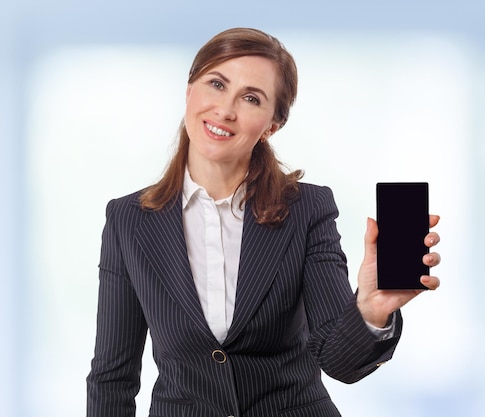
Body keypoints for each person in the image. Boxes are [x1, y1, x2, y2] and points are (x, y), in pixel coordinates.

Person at [86, 27, 441, 417]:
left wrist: (371, 310)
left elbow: (338, 361)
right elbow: (112, 377)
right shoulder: (128, 220)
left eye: (251, 98)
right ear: (190, 91)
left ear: (272, 124)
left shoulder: (307, 208)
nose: (225, 110)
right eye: (216, 84)